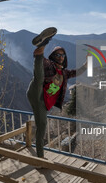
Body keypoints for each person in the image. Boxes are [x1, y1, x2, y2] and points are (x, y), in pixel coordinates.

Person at [27, 27, 87, 158]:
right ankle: (40, 157)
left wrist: (86, 64)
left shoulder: (64, 73)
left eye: (62, 55)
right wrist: (39, 53)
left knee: (42, 125)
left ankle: (42, 45)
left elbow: (77, 72)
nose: (60, 57)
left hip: (44, 100)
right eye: (57, 55)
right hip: (36, 92)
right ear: (53, 57)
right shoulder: (49, 64)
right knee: (39, 77)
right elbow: (42, 62)